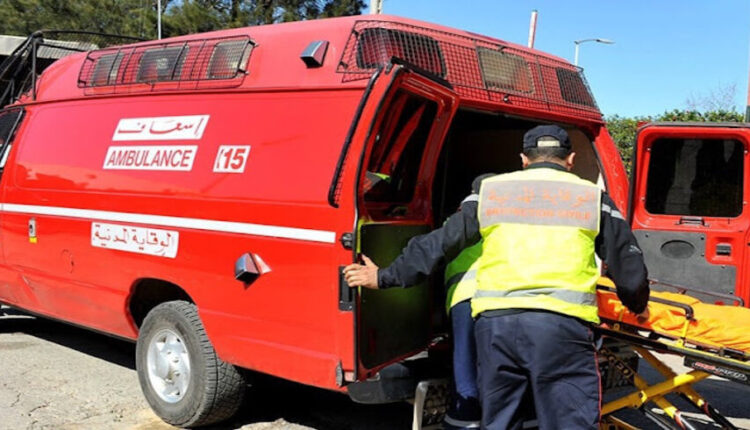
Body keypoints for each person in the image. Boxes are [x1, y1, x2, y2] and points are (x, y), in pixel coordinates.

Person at [344, 124, 649, 430]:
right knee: (569, 422)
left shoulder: (492, 192)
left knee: (499, 420)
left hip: (496, 328)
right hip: (560, 328)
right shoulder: (592, 197)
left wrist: (385, 276)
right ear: (570, 159)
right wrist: (637, 306)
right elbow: (627, 264)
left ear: (524, 159)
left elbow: (443, 241)